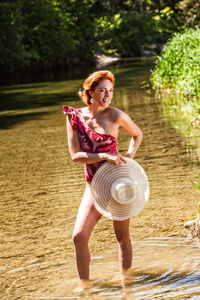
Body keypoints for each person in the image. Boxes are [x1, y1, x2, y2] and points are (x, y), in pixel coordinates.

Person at [63, 70, 143, 288]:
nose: (108, 95)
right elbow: (75, 156)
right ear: (90, 91)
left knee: (121, 236)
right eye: (102, 90)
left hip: (118, 183)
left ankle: (126, 283)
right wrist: (104, 155)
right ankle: (85, 287)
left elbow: (138, 135)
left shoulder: (116, 115)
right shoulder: (74, 118)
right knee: (79, 236)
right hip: (93, 185)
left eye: (111, 91)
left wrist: (129, 159)